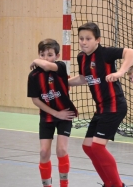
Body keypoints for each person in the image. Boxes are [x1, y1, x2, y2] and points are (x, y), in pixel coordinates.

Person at [68, 22, 133, 187]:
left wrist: (120, 72)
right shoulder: (81, 57)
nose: (84, 42)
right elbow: (84, 78)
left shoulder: (105, 53)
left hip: (114, 105)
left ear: (97, 40)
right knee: (88, 147)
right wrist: (65, 83)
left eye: (88, 39)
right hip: (101, 108)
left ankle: (117, 185)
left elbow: (131, 52)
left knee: (98, 147)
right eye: (81, 39)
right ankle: (109, 183)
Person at [27, 38, 77, 187]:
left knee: (61, 150)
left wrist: (37, 60)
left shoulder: (60, 67)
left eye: (49, 54)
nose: (45, 58)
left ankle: (64, 184)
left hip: (65, 114)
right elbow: (35, 100)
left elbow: (47, 65)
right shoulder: (34, 76)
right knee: (43, 152)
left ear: (57, 56)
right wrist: (55, 113)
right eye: (42, 55)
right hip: (48, 116)